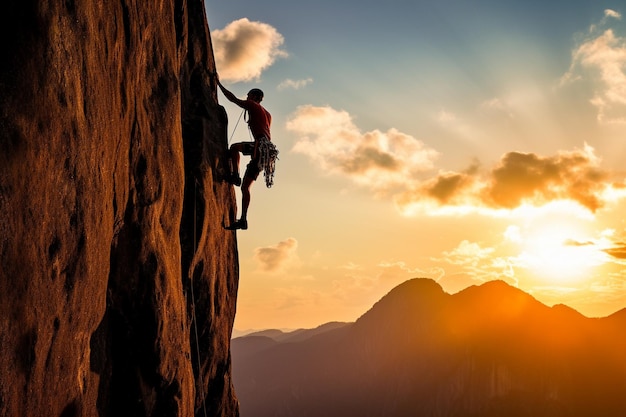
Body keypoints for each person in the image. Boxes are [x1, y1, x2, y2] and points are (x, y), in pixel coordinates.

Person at [217, 76, 272, 230]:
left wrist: (219, 84)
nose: (247, 97)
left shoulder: (252, 105)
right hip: (266, 152)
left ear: (254, 97)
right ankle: (243, 219)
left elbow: (233, 99)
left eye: (249, 95)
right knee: (245, 188)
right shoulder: (268, 114)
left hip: (259, 146)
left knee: (234, 148)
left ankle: (235, 175)